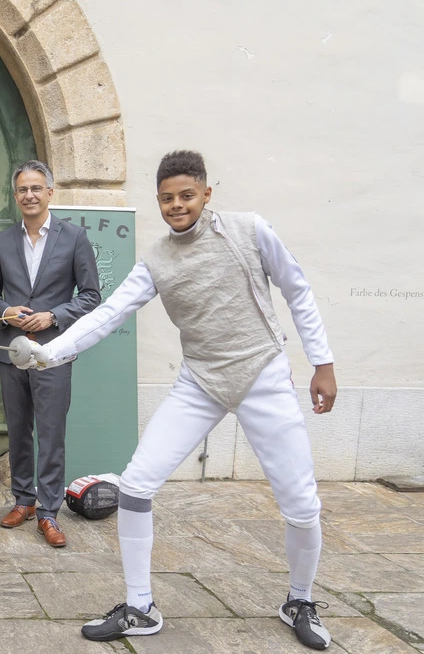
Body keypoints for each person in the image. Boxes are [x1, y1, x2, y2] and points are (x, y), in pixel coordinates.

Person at [25, 151, 337, 650]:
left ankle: (299, 599)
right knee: (136, 485)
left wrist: (323, 364)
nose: (177, 205)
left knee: (301, 505)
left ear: (206, 193)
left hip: (262, 372)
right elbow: (109, 314)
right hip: (200, 380)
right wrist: (50, 353)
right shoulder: (156, 260)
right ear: (158, 201)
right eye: (167, 198)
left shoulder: (249, 230)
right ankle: (139, 607)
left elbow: (297, 289)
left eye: (187, 195)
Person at [0, 160, 100, 547]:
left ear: (50, 192)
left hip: (53, 351)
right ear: (15, 196)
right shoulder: (1, 241)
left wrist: (54, 315)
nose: (29, 196)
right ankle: (24, 500)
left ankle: (49, 513)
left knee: (51, 434)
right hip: (12, 352)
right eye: (22, 190)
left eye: (36, 188)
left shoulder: (74, 237)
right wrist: (5, 311)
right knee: (18, 431)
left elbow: (91, 295)